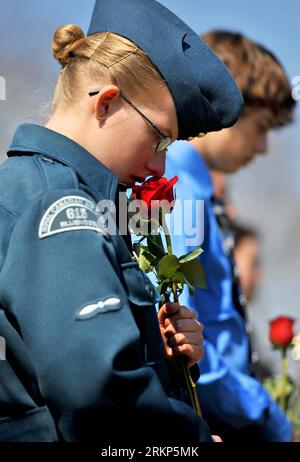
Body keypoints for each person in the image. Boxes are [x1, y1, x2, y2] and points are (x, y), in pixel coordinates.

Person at [0, 1, 243, 442]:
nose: (160, 166)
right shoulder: (62, 204)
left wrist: (152, 352)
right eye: (160, 138)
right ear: (107, 103)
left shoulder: (32, 187)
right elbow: (98, 396)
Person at [165, 30, 296, 441]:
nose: (261, 148)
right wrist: (269, 418)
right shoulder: (178, 187)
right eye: (261, 128)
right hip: (217, 415)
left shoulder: (197, 189)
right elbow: (184, 331)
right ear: (227, 102)